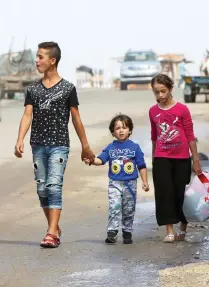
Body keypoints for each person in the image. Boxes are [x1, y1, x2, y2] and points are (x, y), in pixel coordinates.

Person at [14, 41, 95, 248]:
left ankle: (51, 233)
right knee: (42, 188)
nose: (37, 60)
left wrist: (85, 146)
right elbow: (27, 115)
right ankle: (54, 226)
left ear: (53, 60)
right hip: (38, 145)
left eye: (41, 57)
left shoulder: (68, 88)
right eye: (37, 56)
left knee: (53, 185)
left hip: (59, 144)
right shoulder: (33, 89)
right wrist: (20, 139)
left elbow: (76, 118)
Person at [149, 74, 202, 243]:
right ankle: (169, 230)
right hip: (161, 157)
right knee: (165, 194)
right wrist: (154, 158)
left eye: (163, 91)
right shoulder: (153, 111)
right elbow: (154, 137)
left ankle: (183, 228)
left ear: (171, 89)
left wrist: (196, 159)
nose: (160, 96)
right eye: (156, 92)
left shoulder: (182, 110)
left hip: (181, 158)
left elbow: (190, 135)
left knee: (182, 194)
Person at [84, 114, 149, 244]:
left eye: (124, 127)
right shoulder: (110, 148)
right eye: (117, 128)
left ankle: (127, 232)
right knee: (114, 206)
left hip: (130, 184)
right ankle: (112, 232)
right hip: (115, 183)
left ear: (129, 130)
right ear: (113, 132)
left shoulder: (135, 148)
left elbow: (141, 166)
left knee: (128, 208)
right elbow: (100, 160)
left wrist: (145, 181)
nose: (121, 130)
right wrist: (91, 161)